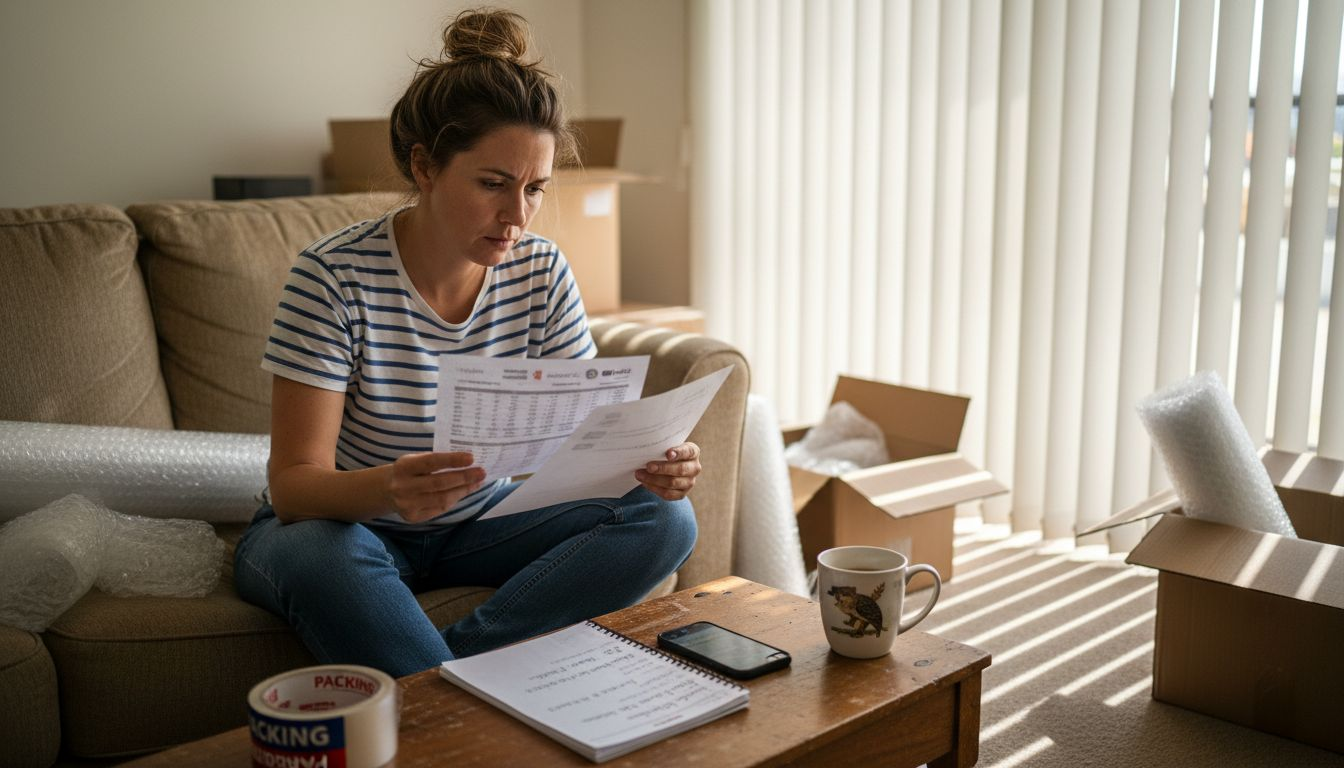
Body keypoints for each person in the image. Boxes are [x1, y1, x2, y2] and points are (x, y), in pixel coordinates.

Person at [233, 8, 701, 678]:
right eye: (492, 184)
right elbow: (294, 490)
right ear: (425, 167)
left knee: (666, 518)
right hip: (348, 527)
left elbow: (584, 447)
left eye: (534, 189)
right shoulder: (332, 275)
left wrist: (648, 463)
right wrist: (390, 490)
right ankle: (469, 698)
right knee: (318, 557)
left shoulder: (541, 272)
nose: (517, 217)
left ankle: (462, 677)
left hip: (479, 523)